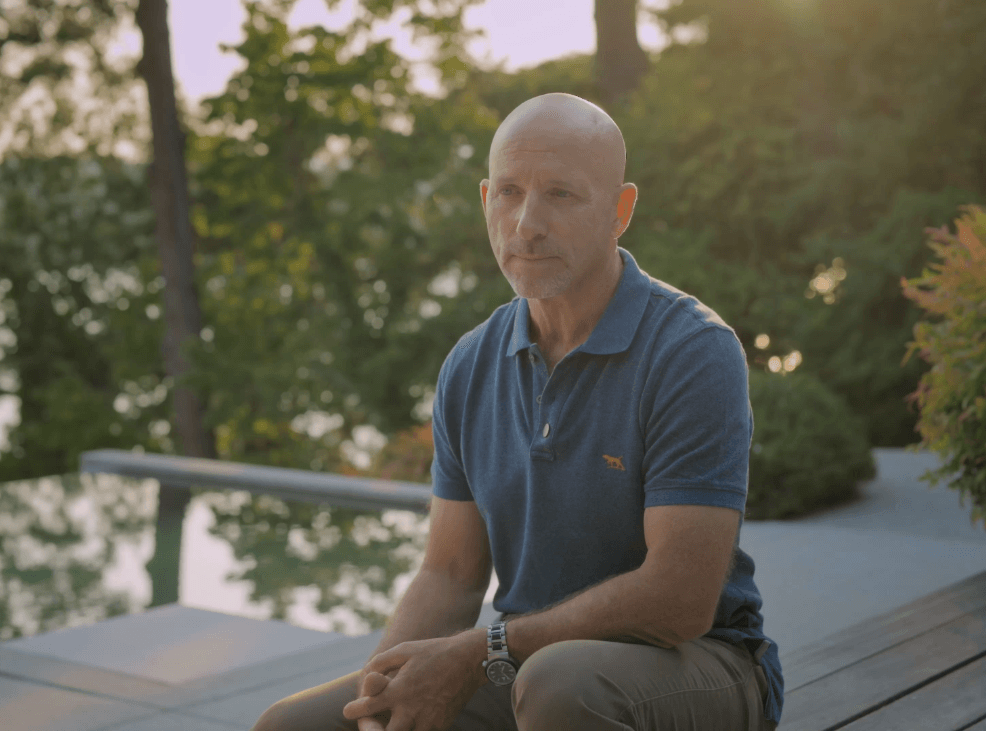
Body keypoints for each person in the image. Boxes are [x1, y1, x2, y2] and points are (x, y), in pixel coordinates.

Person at [251, 92, 782, 731]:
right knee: (293, 726)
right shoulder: (470, 364)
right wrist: (383, 692)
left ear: (621, 210)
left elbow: (680, 599)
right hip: (520, 667)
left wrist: (486, 650)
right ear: (485, 201)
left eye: (561, 194)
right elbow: (449, 575)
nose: (527, 223)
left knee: (561, 686)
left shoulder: (692, 351)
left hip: (698, 665)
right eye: (509, 192)